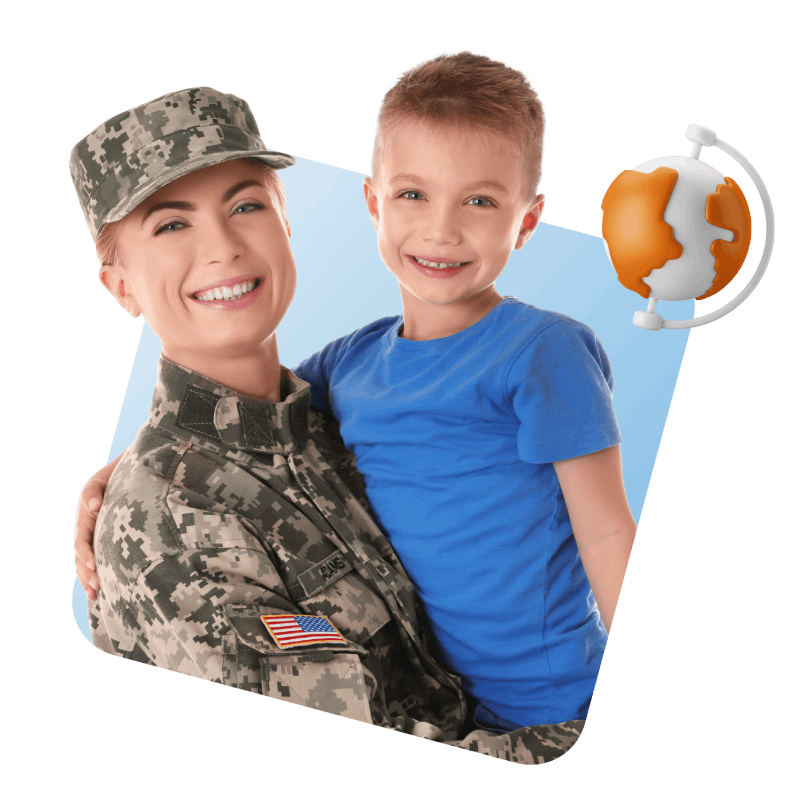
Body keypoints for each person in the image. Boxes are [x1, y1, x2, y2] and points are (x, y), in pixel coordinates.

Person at [70, 84, 585, 762]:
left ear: (287, 227)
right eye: (172, 224)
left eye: (246, 205)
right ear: (122, 286)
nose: (223, 246)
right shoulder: (169, 523)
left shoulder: (329, 410)